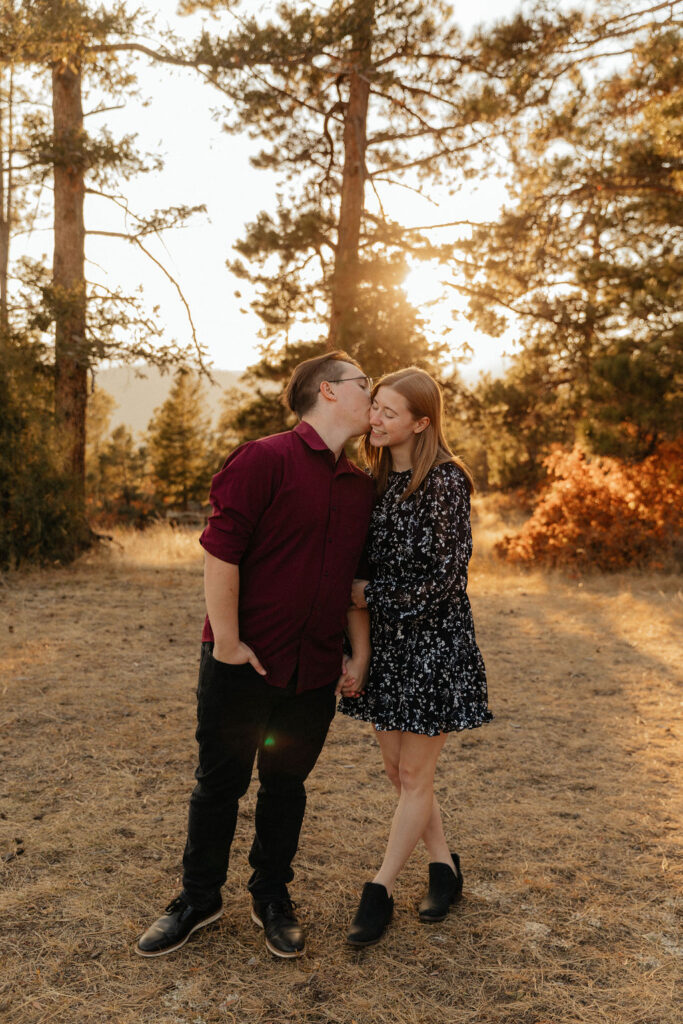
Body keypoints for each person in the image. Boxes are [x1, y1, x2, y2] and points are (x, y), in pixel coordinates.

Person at [136, 351, 375, 960]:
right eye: (363, 384)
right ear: (327, 391)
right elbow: (221, 554)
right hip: (242, 661)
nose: (371, 393)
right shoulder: (263, 458)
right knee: (219, 783)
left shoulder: (359, 487)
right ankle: (197, 899)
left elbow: (350, 582)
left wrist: (355, 654)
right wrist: (231, 641)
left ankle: (271, 896)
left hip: (314, 668)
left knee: (286, 786)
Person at [337, 367, 492, 946]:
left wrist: (370, 594)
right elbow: (361, 568)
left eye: (389, 412)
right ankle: (444, 869)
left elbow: (446, 581)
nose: (374, 418)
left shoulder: (447, 482)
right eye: (374, 406)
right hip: (390, 649)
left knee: (414, 775)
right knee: (399, 774)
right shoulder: (373, 481)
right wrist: (361, 649)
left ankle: (377, 892)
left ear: (421, 422)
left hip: (435, 645)